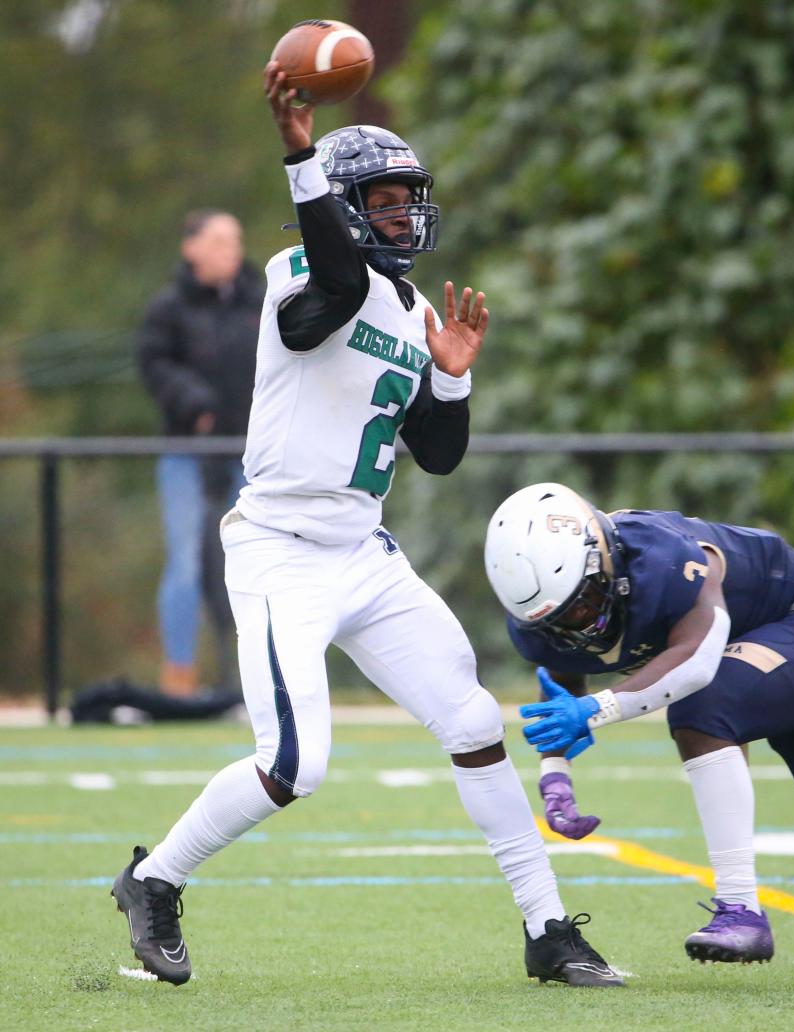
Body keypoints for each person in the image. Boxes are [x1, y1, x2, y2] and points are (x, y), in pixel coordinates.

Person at [110, 57, 621, 989]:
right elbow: (329, 302)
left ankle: (549, 930)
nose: (401, 217)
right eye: (380, 202)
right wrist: (300, 157)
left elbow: (437, 451)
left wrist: (455, 373)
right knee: (295, 764)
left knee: (471, 718)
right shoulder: (301, 270)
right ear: (341, 207)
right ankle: (153, 879)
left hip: (363, 554)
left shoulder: (416, 306)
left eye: (405, 201)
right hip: (279, 552)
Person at [483, 482, 794, 965]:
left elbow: (698, 663)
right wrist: (555, 775)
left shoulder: (665, 557)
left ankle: (741, 910)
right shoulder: (546, 616)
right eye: (563, 619)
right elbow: (563, 689)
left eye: (583, 603)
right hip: (773, 658)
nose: (581, 624)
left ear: (600, 555)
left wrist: (599, 710)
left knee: (702, 706)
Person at [137, 209, 263, 695]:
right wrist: (195, 403)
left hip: (251, 456)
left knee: (257, 562)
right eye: (217, 240)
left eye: (234, 239)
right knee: (185, 562)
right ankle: (179, 679)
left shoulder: (260, 301)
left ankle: (256, 676)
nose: (229, 249)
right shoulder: (168, 308)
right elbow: (154, 364)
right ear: (191, 247)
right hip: (187, 454)